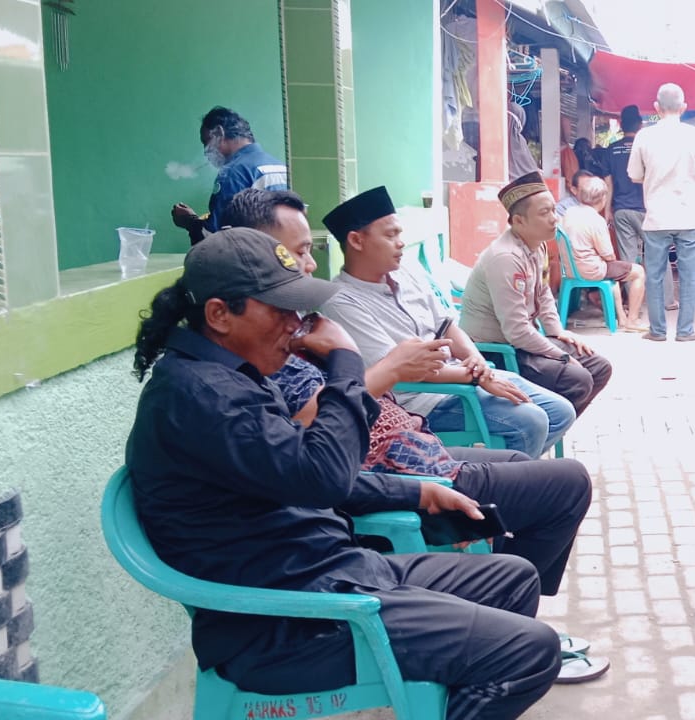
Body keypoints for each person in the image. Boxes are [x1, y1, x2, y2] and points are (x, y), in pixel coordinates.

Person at [126, 228, 563, 717]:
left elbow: (297, 471)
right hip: (288, 621)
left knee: (514, 578)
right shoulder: (203, 398)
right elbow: (322, 476)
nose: (296, 326)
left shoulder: (229, 377)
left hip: (330, 573)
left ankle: (437, 693)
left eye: (299, 311)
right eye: (280, 310)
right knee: (530, 651)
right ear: (219, 314)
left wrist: (416, 494)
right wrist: (347, 363)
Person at [221, 190, 605, 655]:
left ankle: (503, 608)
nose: (309, 264)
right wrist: (367, 373)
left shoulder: (285, 326)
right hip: (388, 462)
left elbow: (316, 442)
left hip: (401, 447)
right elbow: (306, 453)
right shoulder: (235, 367)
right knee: (560, 480)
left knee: (526, 471)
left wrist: (471, 371)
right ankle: (503, 616)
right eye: (299, 252)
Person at [318, 186, 576, 458]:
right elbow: (401, 370)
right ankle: (503, 479)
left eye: (400, 234)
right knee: (531, 422)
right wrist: (478, 376)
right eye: (390, 235)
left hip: (462, 376)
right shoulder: (342, 302)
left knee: (561, 412)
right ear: (357, 241)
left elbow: (448, 326)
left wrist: (476, 361)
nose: (401, 243)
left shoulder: (406, 272)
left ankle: (509, 473)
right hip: (421, 399)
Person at [461, 173, 614, 416]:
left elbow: (543, 293)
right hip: (496, 351)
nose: (554, 218)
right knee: (578, 379)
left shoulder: (537, 245)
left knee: (599, 367)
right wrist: (561, 355)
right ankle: (547, 425)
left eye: (553, 210)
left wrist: (557, 332)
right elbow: (516, 331)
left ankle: (556, 424)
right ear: (519, 221)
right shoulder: (506, 258)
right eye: (544, 213)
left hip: (521, 342)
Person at [628, 84, 695, 342]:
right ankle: (685, 331)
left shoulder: (644, 136)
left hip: (656, 218)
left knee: (654, 276)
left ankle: (657, 331)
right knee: (689, 276)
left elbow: (635, 175)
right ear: (683, 107)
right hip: (688, 217)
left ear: (656, 108)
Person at [171, 107, 289, 245]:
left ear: (219, 133)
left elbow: (216, 239)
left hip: (253, 255)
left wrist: (190, 221)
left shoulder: (233, 173)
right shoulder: (280, 166)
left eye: (206, 142)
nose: (205, 152)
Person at [563, 175, 646, 331]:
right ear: (602, 199)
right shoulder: (596, 220)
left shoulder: (569, 213)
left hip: (569, 268)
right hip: (591, 269)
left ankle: (622, 318)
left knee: (615, 271)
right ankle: (632, 320)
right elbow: (609, 255)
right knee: (638, 272)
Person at [599, 105, 647, 265]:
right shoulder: (645, 149)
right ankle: (659, 283)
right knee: (657, 255)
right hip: (646, 210)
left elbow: (608, 184)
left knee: (628, 260)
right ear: (640, 125)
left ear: (621, 125)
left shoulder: (611, 150)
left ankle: (633, 282)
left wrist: (607, 210)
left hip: (621, 210)